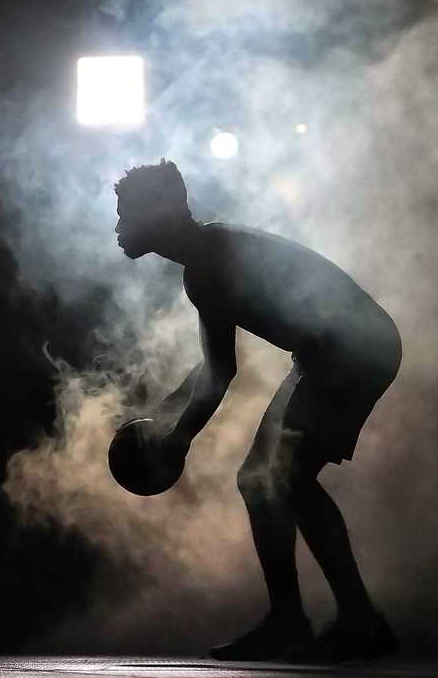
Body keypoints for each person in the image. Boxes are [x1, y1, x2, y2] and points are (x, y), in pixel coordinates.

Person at [114, 159, 402, 662]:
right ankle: (306, 620)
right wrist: (166, 418)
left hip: (352, 349)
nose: (118, 227)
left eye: (125, 214)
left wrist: (177, 437)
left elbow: (220, 374)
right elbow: (216, 365)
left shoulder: (208, 263)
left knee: (279, 479)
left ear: (161, 212)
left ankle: (351, 621)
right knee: (262, 479)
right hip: (336, 352)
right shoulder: (205, 257)